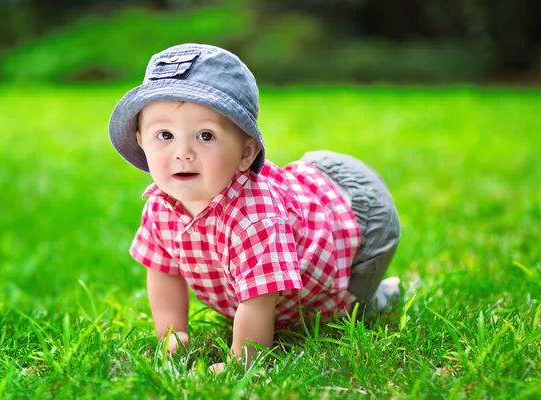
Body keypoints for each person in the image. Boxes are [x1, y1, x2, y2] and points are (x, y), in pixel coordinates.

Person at [108, 43, 401, 372]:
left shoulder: (255, 217)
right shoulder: (162, 206)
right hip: (260, 268)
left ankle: (379, 297)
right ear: (140, 141)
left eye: (205, 135)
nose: (183, 152)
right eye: (165, 135)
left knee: (348, 310)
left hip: (351, 237)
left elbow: (259, 300)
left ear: (246, 153)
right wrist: (172, 334)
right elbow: (163, 271)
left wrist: (241, 362)